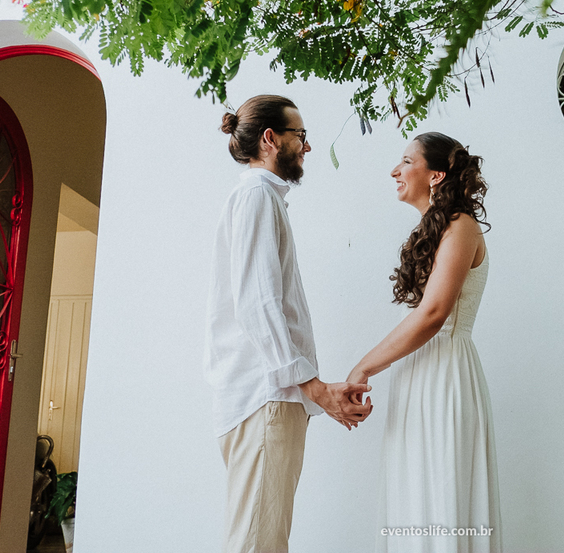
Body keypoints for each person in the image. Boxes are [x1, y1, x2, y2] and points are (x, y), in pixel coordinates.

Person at [205, 94, 373, 553]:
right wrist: (314, 388)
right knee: (258, 544)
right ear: (270, 139)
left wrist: (313, 390)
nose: (308, 146)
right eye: (300, 135)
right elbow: (258, 305)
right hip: (266, 399)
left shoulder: (259, 198)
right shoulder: (257, 196)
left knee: (262, 539)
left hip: (269, 399)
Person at [347, 132, 502, 552]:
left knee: (441, 495)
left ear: (436, 175)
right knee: (413, 499)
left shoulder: (461, 226)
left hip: (445, 377)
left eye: (405, 161)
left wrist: (363, 367)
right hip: (416, 376)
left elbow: (433, 314)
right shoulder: (433, 229)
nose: (394, 171)